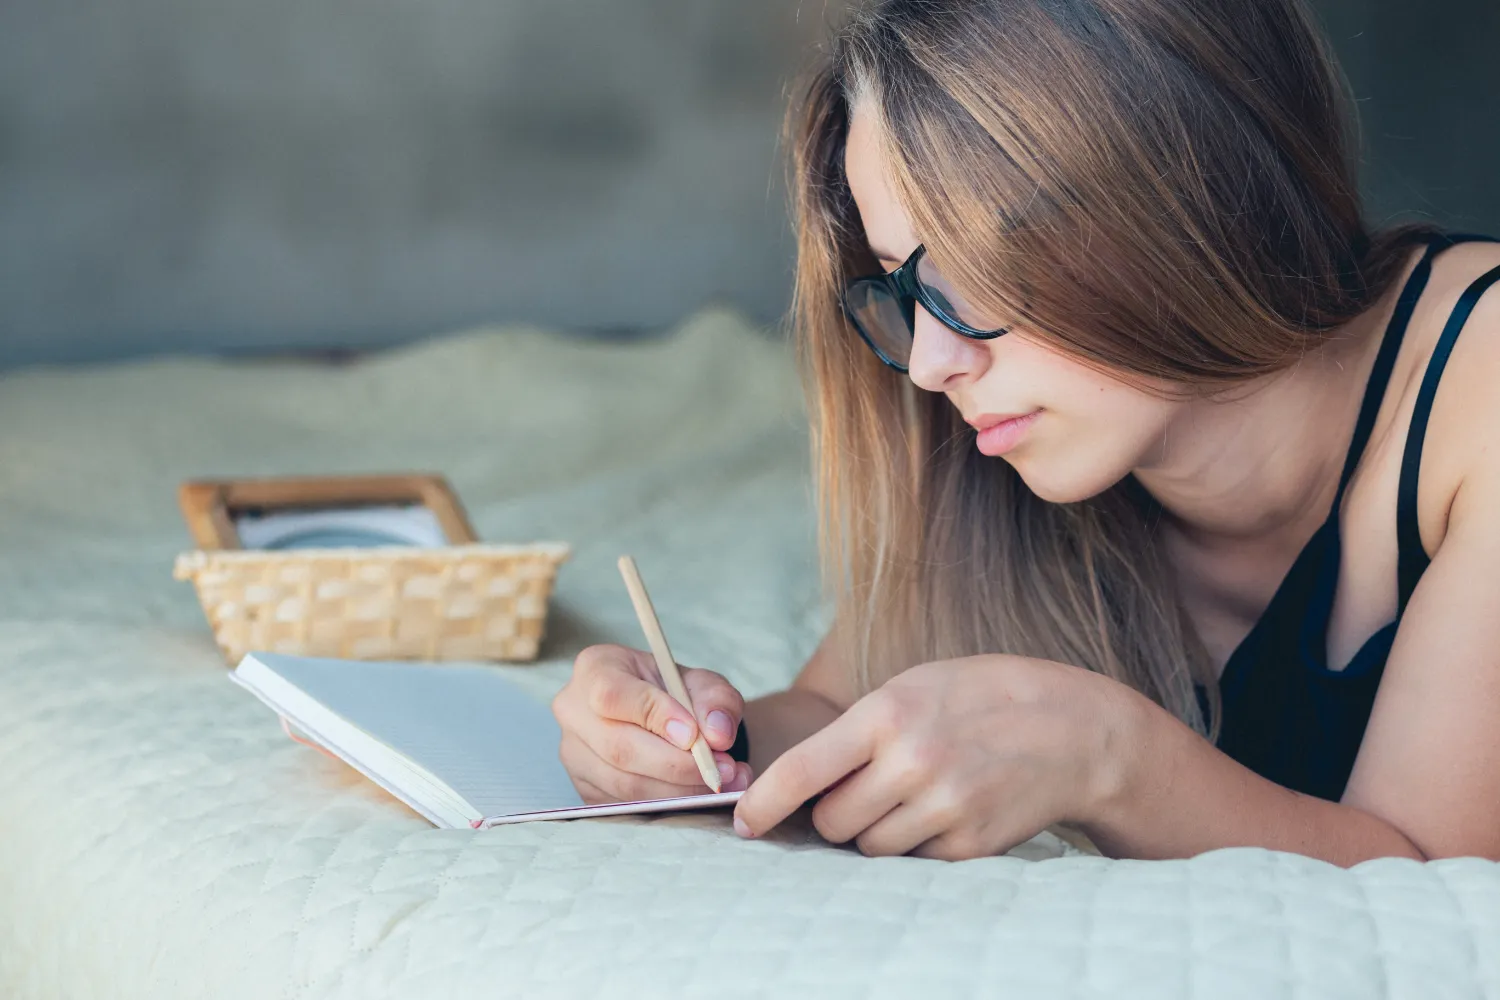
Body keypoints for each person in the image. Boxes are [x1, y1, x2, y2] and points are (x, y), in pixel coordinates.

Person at [551, 0, 1500, 864]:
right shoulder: (1017, 449)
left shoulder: (1479, 386)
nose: (928, 365)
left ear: (1189, 188)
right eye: (901, 287)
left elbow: (1433, 894)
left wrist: (1108, 757)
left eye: (976, 266)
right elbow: (836, 706)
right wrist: (691, 747)